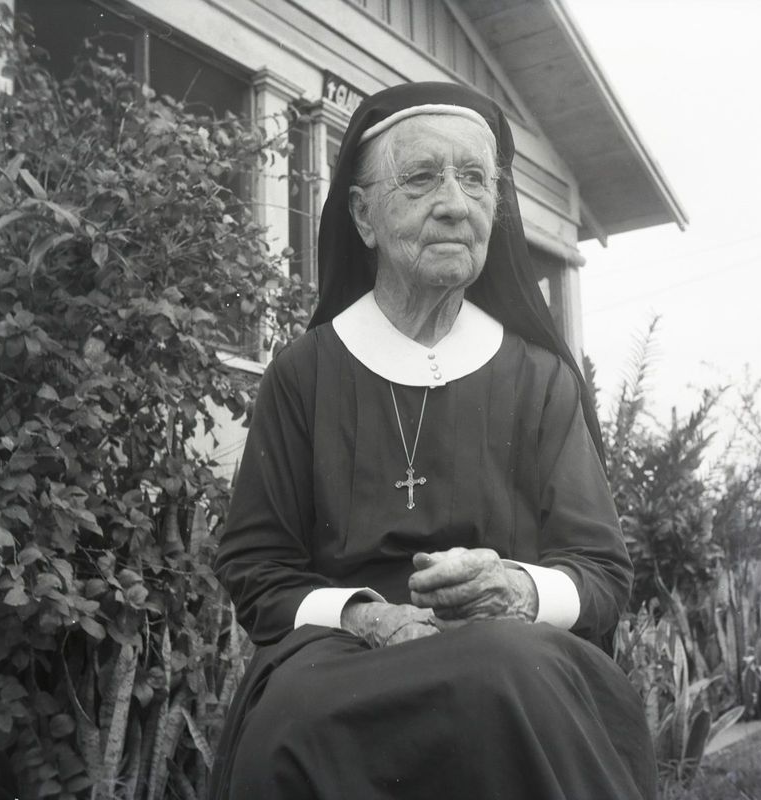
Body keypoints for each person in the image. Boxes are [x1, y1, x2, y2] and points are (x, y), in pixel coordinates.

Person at [209, 81, 657, 799]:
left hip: (511, 649)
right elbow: (257, 569)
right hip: (343, 652)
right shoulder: (304, 374)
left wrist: (511, 587)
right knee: (291, 715)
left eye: (476, 179)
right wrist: (369, 615)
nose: (455, 202)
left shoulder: (538, 379)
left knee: (505, 672)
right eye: (421, 178)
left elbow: (601, 576)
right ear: (361, 214)